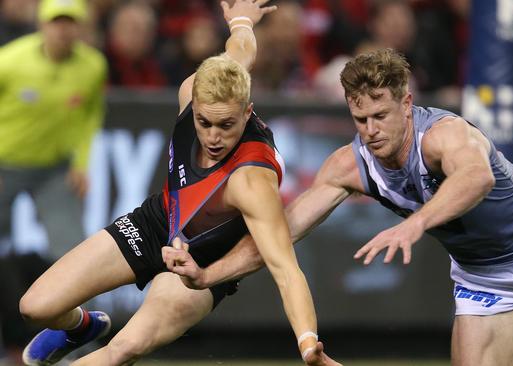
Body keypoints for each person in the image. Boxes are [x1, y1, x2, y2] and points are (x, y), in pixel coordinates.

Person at [165, 48, 513, 365]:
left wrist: (415, 224)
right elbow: (282, 231)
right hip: (487, 275)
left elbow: (475, 178)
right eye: (360, 118)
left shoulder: (443, 134)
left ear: (406, 104)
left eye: (381, 115)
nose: (371, 129)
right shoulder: (350, 166)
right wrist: (212, 274)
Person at [19, 1, 339, 365]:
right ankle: (81, 326)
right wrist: (241, 20)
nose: (214, 137)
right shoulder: (194, 89)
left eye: (227, 125)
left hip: (203, 263)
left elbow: (285, 268)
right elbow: (240, 48)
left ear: (247, 111)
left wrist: (307, 342)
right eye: (205, 123)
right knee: (34, 307)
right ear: (194, 102)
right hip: (156, 223)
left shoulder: (253, 180)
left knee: (122, 350)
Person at [0, 0, 106, 360]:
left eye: (71, 22)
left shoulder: (92, 65)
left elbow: (91, 114)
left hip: (53, 170)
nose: (64, 29)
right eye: (57, 21)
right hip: (3, 166)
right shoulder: (11, 61)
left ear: (81, 27)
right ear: (42, 25)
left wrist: (82, 161)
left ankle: (84, 348)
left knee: (75, 255)